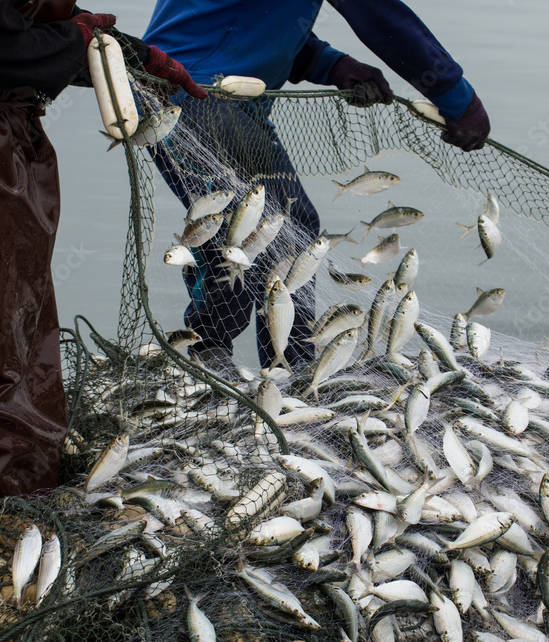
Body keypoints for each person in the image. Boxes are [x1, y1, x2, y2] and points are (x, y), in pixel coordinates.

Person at [143, 0, 491, 374]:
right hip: (194, 95)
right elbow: (379, 14)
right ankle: (241, 360)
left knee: (271, 226)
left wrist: (332, 65)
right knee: (261, 230)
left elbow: (259, 19)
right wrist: (457, 96)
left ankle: (262, 360)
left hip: (201, 93)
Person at [0, 0, 205, 495]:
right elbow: (9, 51)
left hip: (14, 140)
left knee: (22, 312)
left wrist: (132, 56)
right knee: (6, 320)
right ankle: (12, 493)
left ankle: (24, 479)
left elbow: (38, 26)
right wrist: (78, 40)